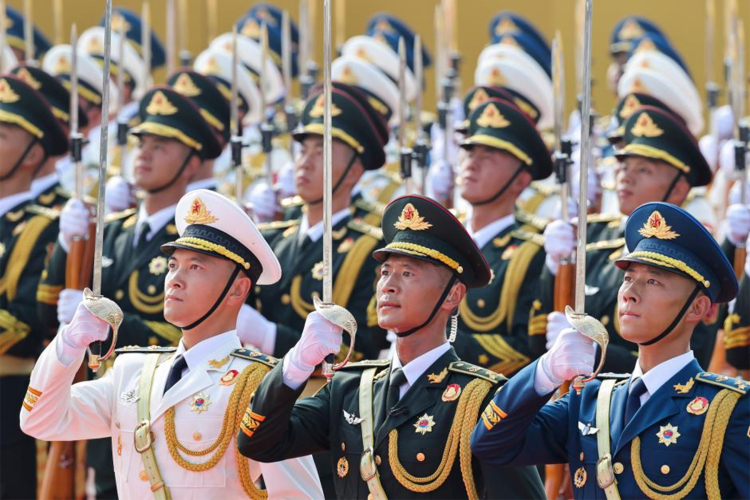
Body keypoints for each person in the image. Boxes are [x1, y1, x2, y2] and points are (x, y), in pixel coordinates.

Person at [237, 194, 545, 499]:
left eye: (408, 273)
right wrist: (296, 365)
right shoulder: (349, 387)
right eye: (385, 272)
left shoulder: (480, 400)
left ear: (452, 295)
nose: (388, 285)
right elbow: (258, 442)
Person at [21, 189, 323, 499]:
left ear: (237, 289)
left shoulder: (260, 387)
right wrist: (68, 345)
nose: (175, 279)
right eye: (173, 265)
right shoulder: (131, 372)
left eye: (195, 267)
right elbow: (40, 421)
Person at [471, 201, 748, 499]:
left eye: (653, 280)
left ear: (697, 307)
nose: (629, 293)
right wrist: (544, 372)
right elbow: (490, 443)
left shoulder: (730, 409)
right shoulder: (590, 399)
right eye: (628, 278)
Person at [37, 85, 223, 499]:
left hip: (160, 408)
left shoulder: (195, 246)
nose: (144, 154)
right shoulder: (110, 232)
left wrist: (109, 325)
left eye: (161, 146)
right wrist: (65, 247)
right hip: (100, 403)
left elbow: (191, 332)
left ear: (192, 162)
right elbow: (44, 315)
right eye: (141, 144)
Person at [540, 105, 717, 371]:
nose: (626, 177)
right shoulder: (591, 236)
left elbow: (693, 356)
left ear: (679, 189)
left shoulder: (694, 256)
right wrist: (552, 267)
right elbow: (537, 333)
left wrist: (595, 353)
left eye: (643, 170)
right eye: (622, 165)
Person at [0, 74, 68, 500]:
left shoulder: (44, 227)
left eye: (2, 135)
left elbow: (28, 323)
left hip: (8, 398)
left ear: (33, 155)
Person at [454, 97, 552, 375]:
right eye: (470, 152)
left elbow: (529, 351)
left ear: (521, 181)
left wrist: (435, 343)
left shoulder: (534, 252)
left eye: (488, 156)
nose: (472, 164)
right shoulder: (441, 236)